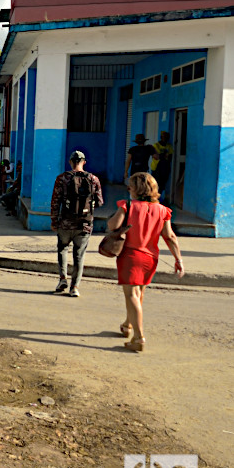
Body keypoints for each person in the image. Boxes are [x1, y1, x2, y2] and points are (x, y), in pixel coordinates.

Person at [108, 172, 184, 352]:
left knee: (131, 294)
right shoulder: (163, 210)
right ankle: (128, 325)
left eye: (130, 186)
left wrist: (120, 213)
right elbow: (170, 237)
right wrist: (178, 259)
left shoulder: (127, 205)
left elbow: (113, 226)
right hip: (150, 258)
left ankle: (139, 337)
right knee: (139, 293)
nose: (129, 189)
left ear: (137, 189)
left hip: (131, 256)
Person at [49, 151, 103, 297]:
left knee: (62, 250)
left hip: (65, 223)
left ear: (70, 161)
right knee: (79, 255)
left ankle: (62, 279)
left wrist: (54, 220)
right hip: (85, 224)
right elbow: (99, 202)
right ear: (84, 162)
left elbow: (55, 201)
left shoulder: (62, 178)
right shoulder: (93, 179)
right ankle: (74, 287)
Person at [151, 130, 173, 200]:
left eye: (167, 137)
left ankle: (158, 198)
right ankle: (153, 198)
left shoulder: (169, 146)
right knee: (155, 184)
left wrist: (162, 156)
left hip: (165, 168)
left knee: (162, 185)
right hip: (156, 168)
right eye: (164, 137)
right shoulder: (156, 145)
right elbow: (156, 156)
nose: (165, 139)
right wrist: (163, 156)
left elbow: (170, 157)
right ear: (161, 137)